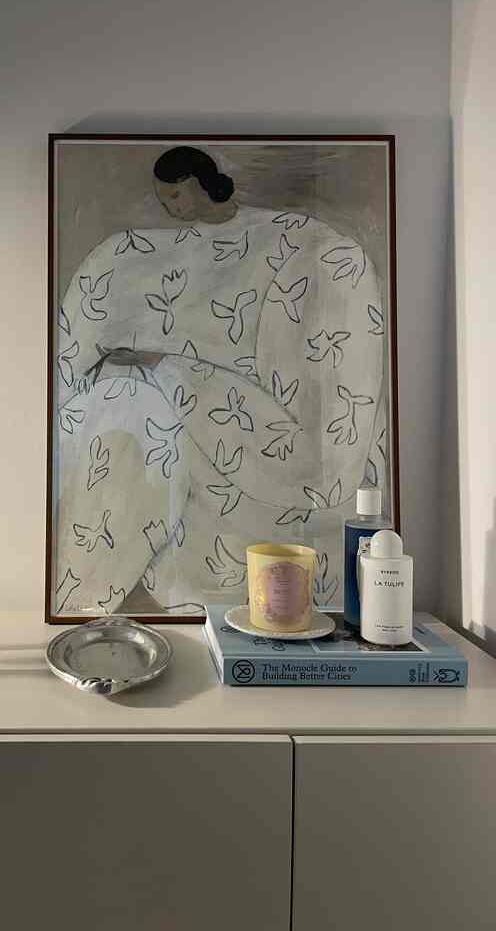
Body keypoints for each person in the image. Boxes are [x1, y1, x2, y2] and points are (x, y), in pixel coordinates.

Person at [53, 146, 388, 616]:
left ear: (199, 182)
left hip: (242, 421)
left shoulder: (292, 244)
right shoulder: (135, 254)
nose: (171, 208)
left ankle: (87, 599)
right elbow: (79, 353)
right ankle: (82, 599)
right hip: (164, 407)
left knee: (139, 405)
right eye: (163, 200)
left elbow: (322, 389)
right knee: (121, 406)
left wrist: (170, 367)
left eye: (176, 195)